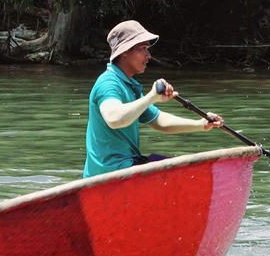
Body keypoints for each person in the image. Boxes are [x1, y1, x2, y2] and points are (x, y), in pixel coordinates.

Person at [83, 20, 225, 178]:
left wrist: (201, 124)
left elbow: (159, 121)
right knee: (182, 173)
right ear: (124, 52)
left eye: (148, 49)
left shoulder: (129, 86)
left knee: (180, 169)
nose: (149, 55)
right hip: (109, 174)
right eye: (143, 49)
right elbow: (114, 118)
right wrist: (151, 97)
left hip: (128, 167)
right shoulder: (108, 83)